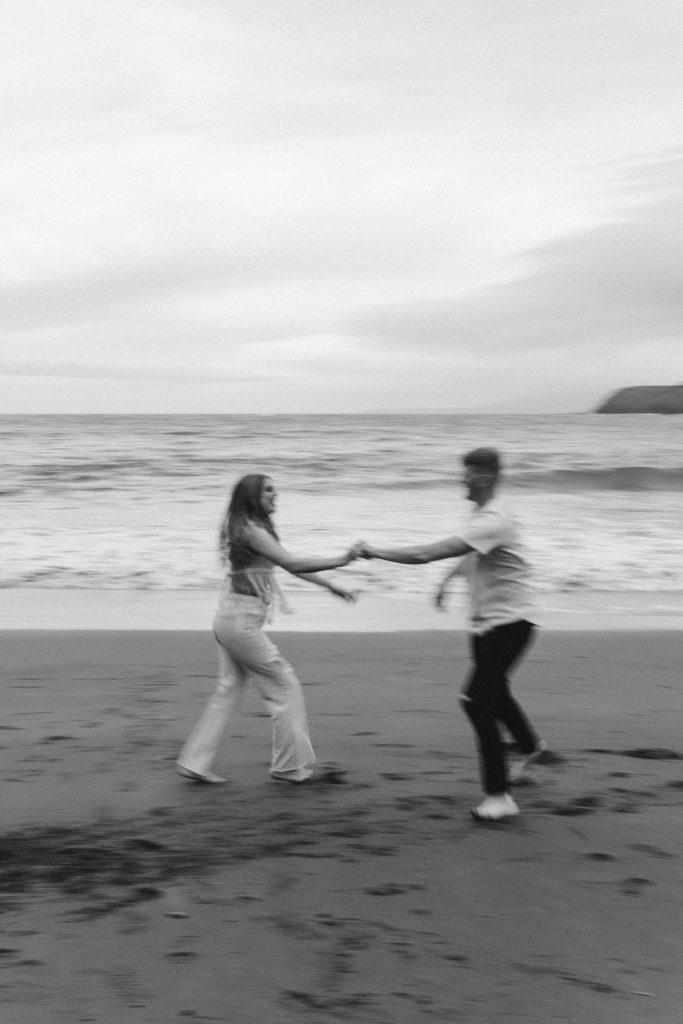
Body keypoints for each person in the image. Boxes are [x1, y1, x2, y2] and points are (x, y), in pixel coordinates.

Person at [359, 447, 544, 821]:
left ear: (486, 477)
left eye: (468, 473)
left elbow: (427, 552)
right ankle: (528, 745)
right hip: (487, 624)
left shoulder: (493, 519)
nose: (462, 479)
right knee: (495, 691)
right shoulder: (482, 518)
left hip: (511, 624)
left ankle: (498, 796)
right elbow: (472, 554)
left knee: (476, 700)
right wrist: (447, 581)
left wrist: (375, 552)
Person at [177, 473, 360, 784]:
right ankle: (288, 766)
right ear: (253, 497)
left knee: (229, 691)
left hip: (231, 617)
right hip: (240, 622)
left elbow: (286, 567)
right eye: (268, 491)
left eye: (275, 490)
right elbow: (294, 564)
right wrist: (342, 560)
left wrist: (330, 585)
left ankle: (194, 762)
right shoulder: (253, 531)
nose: (276, 495)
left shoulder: (250, 529)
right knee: (285, 686)